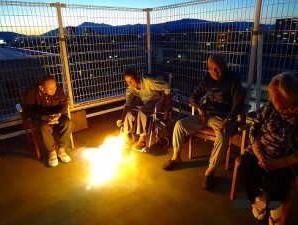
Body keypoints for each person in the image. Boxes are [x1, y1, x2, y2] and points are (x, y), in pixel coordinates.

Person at [163, 54, 244, 190]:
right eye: (211, 68)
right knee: (179, 125)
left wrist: (229, 119)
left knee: (223, 136)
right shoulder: (207, 79)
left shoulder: (234, 79)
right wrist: (200, 109)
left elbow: (238, 104)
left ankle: (210, 171)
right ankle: (176, 156)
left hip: (224, 118)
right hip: (206, 115)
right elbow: (193, 97)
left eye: (217, 68)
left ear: (224, 66)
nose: (214, 71)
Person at [239, 72, 298, 225]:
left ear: (291, 100)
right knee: (246, 170)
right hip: (260, 150)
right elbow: (254, 128)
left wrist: (276, 163)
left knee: (277, 183)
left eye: (275, 99)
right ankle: (259, 201)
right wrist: (257, 151)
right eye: (270, 97)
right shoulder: (270, 105)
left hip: (285, 157)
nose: (271, 101)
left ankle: (274, 209)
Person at [22, 75, 72, 167]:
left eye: (55, 87)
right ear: (41, 88)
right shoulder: (31, 92)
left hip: (56, 115)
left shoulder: (58, 90)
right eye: (51, 88)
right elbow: (28, 111)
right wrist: (45, 117)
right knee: (43, 127)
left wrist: (59, 114)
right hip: (40, 117)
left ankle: (61, 149)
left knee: (67, 122)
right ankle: (52, 152)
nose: (54, 90)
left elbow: (64, 103)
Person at [117, 68, 171, 150]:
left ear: (137, 77)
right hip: (144, 101)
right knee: (129, 112)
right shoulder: (130, 89)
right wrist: (121, 118)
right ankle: (125, 135)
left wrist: (167, 105)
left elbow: (166, 86)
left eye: (131, 80)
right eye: (127, 81)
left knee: (142, 112)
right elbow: (128, 104)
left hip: (156, 100)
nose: (129, 83)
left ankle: (142, 139)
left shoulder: (148, 82)